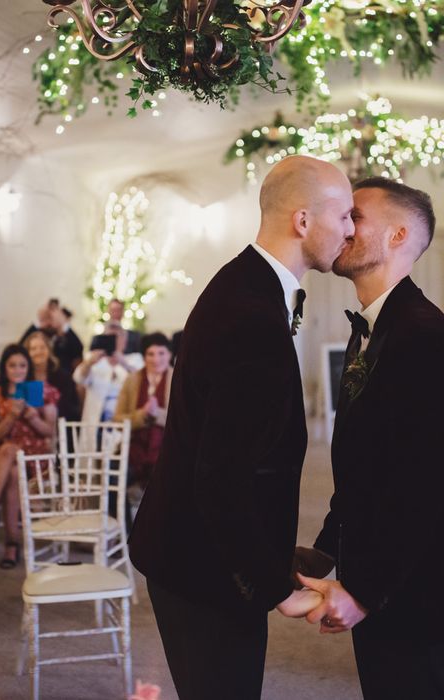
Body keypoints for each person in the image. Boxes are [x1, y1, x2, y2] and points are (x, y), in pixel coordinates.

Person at [127, 155, 355, 699]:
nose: (351, 230)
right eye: (344, 216)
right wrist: (278, 588)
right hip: (202, 566)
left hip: (192, 548)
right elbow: (221, 476)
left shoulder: (245, 284)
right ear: (303, 222)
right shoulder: (251, 315)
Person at [295, 178, 444, 699]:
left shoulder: (426, 337)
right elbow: (367, 469)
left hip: (418, 592)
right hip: (381, 581)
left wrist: (365, 591)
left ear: (400, 235)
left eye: (356, 216)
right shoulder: (371, 331)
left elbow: (426, 486)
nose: (342, 226)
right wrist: (323, 553)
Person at [0, 345, 59, 568]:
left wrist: (33, 417)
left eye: (22, 365)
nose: (17, 370)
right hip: (3, 458)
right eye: (12, 365)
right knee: (12, 464)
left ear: (29, 367)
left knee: (10, 453)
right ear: (4, 368)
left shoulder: (41, 390)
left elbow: (50, 432)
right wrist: (10, 417)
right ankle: (11, 545)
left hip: (35, 454)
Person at [113, 332, 173, 490]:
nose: (156, 359)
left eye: (161, 353)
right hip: (134, 449)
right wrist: (141, 415)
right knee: (111, 478)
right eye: (150, 354)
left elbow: (186, 420)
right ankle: (123, 514)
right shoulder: (132, 379)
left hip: (166, 451)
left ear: (170, 355)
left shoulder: (177, 379)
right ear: (144, 356)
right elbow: (117, 419)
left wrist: (157, 414)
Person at [24, 330, 81, 421]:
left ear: (49, 350)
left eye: (42, 347)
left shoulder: (63, 377)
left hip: (60, 424)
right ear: (27, 353)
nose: (38, 352)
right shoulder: (23, 377)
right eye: (33, 349)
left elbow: (70, 409)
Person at [48, 304, 83, 373]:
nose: (51, 321)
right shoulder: (52, 335)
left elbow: (77, 360)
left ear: (63, 317)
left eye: (53, 317)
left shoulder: (72, 338)